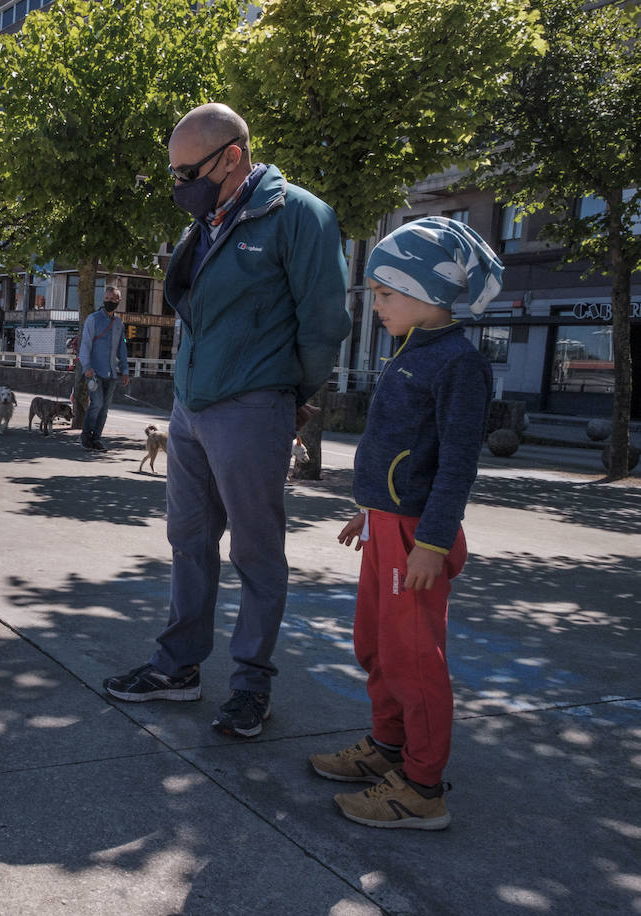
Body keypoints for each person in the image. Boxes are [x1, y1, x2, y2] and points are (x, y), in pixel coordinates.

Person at [103, 103, 351, 739]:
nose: (178, 184)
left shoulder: (298, 214)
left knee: (256, 552)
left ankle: (250, 686)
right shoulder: (211, 221)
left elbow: (324, 323)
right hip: (191, 406)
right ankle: (179, 668)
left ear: (233, 157)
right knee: (188, 541)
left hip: (252, 404)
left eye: (188, 171)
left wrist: (285, 396)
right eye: (173, 173)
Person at [311, 217, 500, 830]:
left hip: (417, 536)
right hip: (384, 529)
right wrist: (366, 508)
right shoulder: (411, 352)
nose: (377, 305)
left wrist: (433, 542)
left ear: (428, 292)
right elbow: (400, 448)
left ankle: (422, 788)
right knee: (376, 646)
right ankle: (387, 751)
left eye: (386, 294)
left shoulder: (457, 364)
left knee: (415, 660)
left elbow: (454, 466)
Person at [77, 286, 129, 451]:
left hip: (111, 373)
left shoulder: (119, 323)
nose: (109, 302)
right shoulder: (93, 319)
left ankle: (96, 439)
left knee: (104, 409)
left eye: (113, 299)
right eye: (106, 299)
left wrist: (125, 370)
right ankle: (85, 437)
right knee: (97, 403)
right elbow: (85, 344)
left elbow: (122, 348)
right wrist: (86, 366)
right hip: (93, 372)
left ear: (118, 301)